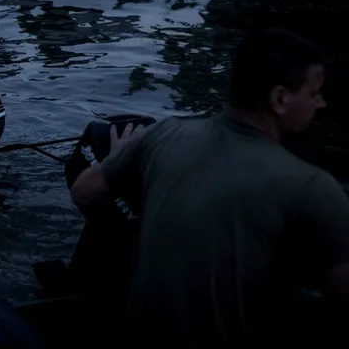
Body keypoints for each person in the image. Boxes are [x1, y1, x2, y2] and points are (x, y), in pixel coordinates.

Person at [70, 28, 349, 348]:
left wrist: (122, 156)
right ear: (280, 99)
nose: (322, 102)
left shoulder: (162, 135)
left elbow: (83, 192)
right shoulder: (313, 187)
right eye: (314, 93)